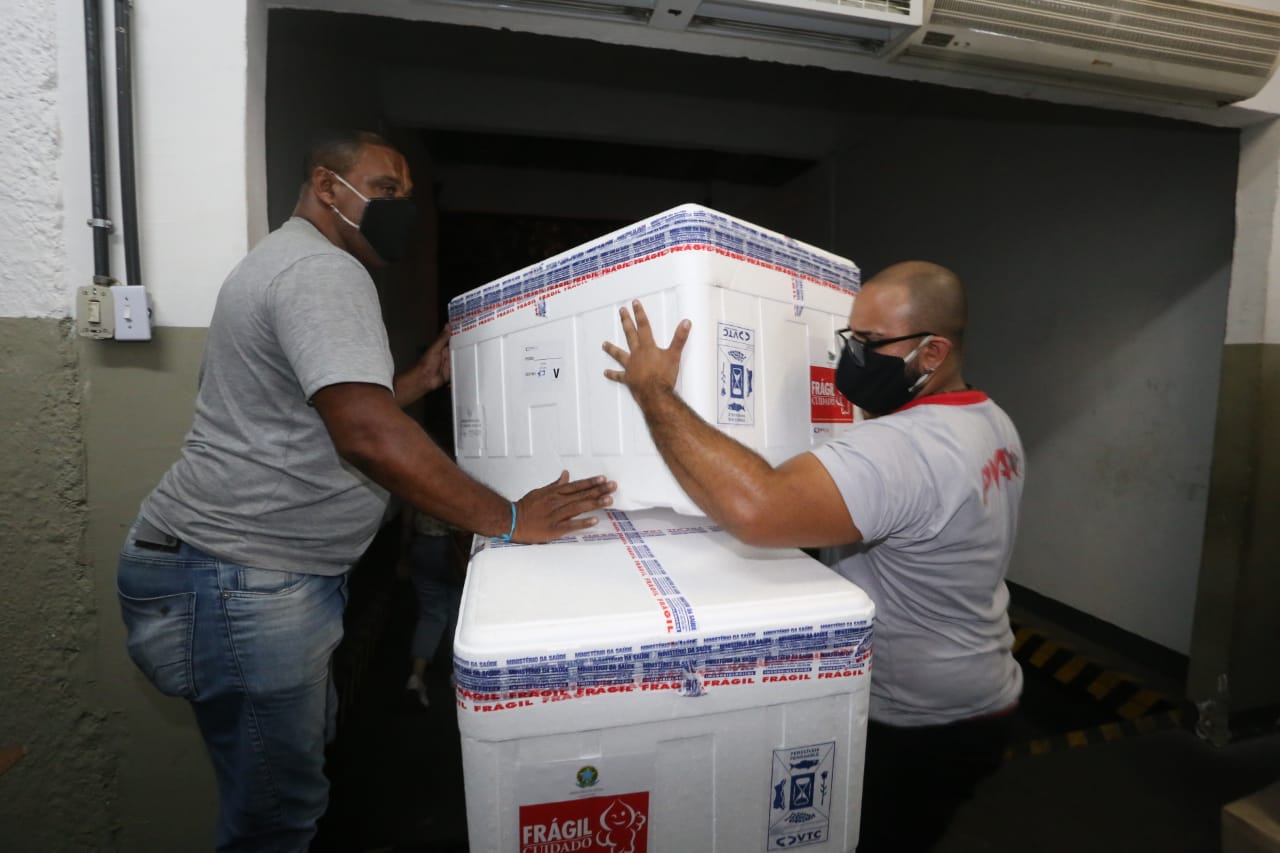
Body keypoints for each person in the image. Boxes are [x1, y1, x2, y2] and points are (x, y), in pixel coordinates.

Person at [116, 129, 616, 852]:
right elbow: (367, 435)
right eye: (385, 190)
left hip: (230, 570)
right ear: (327, 187)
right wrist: (510, 518)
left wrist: (416, 381)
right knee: (277, 817)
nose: (400, 208)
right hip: (242, 578)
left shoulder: (281, 259)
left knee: (290, 773)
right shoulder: (324, 273)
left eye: (407, 196)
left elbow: (300, 411)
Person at [601, 261, 1024, 853]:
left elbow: (757, 509)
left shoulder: (903, 447)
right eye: (851, 338)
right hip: (985, 688)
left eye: (871, 343)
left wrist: (654, 390)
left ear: (932, 354)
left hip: (920, 722)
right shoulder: (990, 419)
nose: (852, 358)